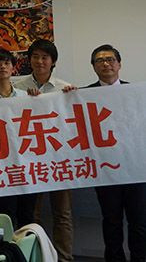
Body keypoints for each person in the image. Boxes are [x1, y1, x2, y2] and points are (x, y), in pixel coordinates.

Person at [12, 39, 76, 262]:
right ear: (29, 60)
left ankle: (64, 258)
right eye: (35, 57)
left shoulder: (65, 88)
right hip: (29, 159)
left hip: (59, 159)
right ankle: (35, 257)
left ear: (53, 61)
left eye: (45, 57)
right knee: (32, 215)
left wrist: (74, 97)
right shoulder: (17, 88)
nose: (40, 61)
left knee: (62, 214)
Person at [86, 44, 146, 262]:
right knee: (111, 221)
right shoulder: (83, 95)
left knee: (139, 221)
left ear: (119, 64)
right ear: (94, 67)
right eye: (100, 60)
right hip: (105, 169)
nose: (106, 64)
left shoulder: (137, 92)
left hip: (136, 168)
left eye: (110, 59)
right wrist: (67, 96)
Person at [0, 49, 31, 226]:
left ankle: (28, 244)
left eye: (6, 63)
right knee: (7, 213)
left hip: (25, 161)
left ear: (13, 68)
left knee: (28, 214)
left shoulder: (26, 96)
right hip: (2, 164)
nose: (2, 67)